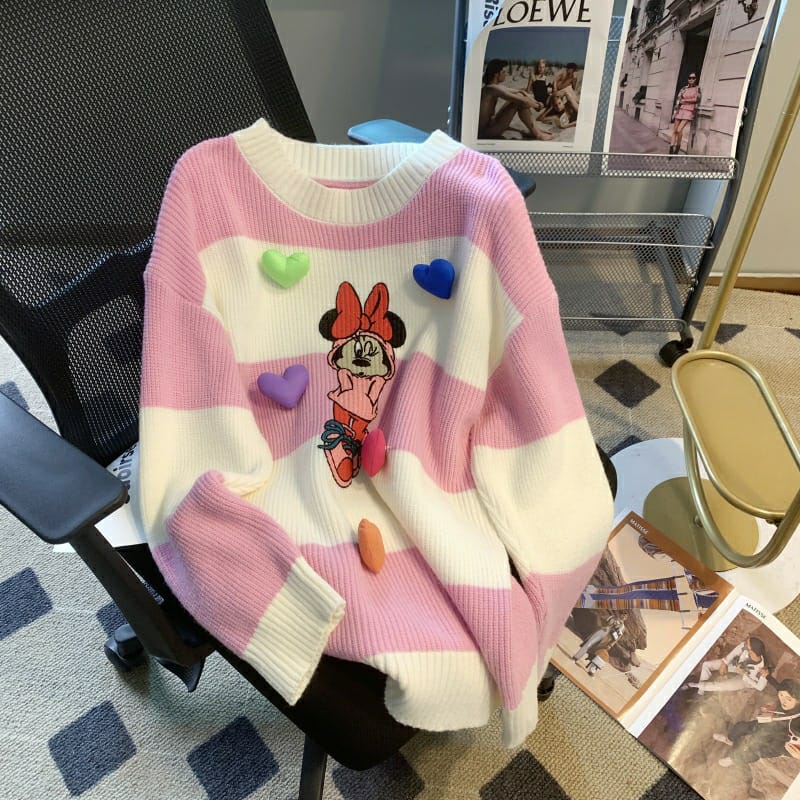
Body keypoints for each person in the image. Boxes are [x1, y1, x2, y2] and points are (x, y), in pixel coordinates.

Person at [713, 678, 800, 780]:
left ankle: (734, 759)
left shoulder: (797, 723)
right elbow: (777, 689)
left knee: (757, 749)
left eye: (788, 699)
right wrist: (770, 709)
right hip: (773, 724)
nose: (783, 701)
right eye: (781, 695)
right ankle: (730, 739)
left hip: (782, 741)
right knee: (742, 726)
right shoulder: (784, 704)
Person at [478, 59, 554, 141]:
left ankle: (536, 129)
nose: (505, 74)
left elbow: (520, 91)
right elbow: (523, 101)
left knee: (518, 96)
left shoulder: (491, 87)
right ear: (497, 74)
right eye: (503, 72)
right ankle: (537, 133)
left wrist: (536, 102)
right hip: (487, 132)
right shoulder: (493, 89)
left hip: (491, 123)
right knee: (518, 102)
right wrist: (537, 105)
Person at [684, 637, 771, 694]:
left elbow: (760, 687)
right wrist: (725, 662)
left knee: (720, 685)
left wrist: (743, 675)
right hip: (735, 666)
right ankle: (701, 692)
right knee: (706, 664)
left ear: (752, 651)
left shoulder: (762, 669)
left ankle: (692, 685)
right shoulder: (746, 648)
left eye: (747, 644)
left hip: (744, 681)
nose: (745, 644)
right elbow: (736, 651)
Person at [670, 72, 701, 155]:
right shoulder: (684, 88)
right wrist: (681, 103)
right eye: (690, 78)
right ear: (688, 79)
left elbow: (696, 99)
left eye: (693, 78)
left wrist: (684, 101)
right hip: (680, 109)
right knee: (675, 130)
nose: (691, 79)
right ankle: (671, 149)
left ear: (696, 79)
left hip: (689, 111)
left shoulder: (697, 89)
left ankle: (678, 146)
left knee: (679, 130)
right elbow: (679, 99)